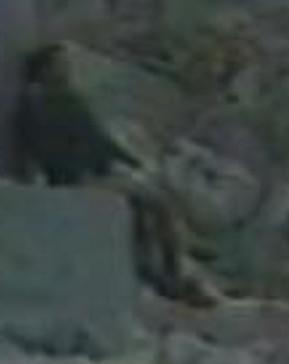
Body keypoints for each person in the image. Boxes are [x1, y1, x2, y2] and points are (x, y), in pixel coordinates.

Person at [17, 41, 219, 308]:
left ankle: (161, 271)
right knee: (156, 203)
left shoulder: (69, 99)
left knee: (147, 204)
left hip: (92, 173)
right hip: (74, 179)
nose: (66, 69)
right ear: (44, 69)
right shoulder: (41, 104)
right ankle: (171, 274)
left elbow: (99, 140)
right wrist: (88, 170)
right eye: (59, 64)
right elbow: (54, 151)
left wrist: (130, 161)